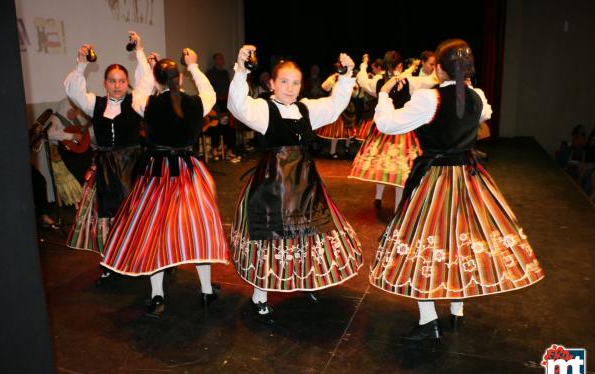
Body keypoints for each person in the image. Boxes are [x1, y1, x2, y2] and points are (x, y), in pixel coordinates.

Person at [370, 38, 544, 340]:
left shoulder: (430, 99)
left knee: (424, 243)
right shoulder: (476, 96)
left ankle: (429, 320)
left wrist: (384, 95)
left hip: (436, 180)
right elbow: (484, 114)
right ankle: (456, 313)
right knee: (460, 239)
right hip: (468, 178)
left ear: (439, 68)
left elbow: (388, 125)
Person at [228, 45, 363, 319]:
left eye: (296, 83)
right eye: (284, 82)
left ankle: (305, 279)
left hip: (304, 183)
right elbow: (237, 105)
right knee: (268, 238)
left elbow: (335, 105)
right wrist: (241, 71)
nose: (290, 88)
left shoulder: (307, 109)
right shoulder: (262, 109)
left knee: (308, 235)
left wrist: (347, 76)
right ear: (272, 83)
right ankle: (260, 293)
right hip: (272, 184)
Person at [101, 49, 230, 317]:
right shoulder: (196, 103)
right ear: (180, 78)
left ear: (158, 80)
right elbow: (210, 93)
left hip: (156, 175)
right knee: (198, 230)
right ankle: (206, 291)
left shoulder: (145, 103)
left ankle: (157, 296)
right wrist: (194, 65)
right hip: (187, 173)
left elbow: (141, 91)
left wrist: (147, 65)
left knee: (154, 233)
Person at [64, 32, 151, 268]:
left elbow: (146, 82)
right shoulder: (95, 103)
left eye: (122, 81)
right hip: (105, 169)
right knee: (107, 219)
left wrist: (139, 51)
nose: (117, 86)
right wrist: (81, 64)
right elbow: (73, 91)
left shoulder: (135, 102)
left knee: (135, 215)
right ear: (104, 83)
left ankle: (139, 257)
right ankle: (111, 260)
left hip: (132, 167)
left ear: (127, 83)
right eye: (112, 81)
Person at [350, 51, 428, 210]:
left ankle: (378, 198)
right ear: (399, 65)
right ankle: (397, 205)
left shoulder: (379, 81)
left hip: (384, 130)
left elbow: (362, 79)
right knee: (401, 169)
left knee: (384, 165)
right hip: (402, 130)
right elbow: (428, 82)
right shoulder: (409, 81)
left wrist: (364, 64)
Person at [206, 52, 240, 163]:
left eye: (222, 58)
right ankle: (214, 149)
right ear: (215, 60)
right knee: (217, 126)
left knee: (230, 126)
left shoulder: (225, 73)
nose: (222, 60)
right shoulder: (210, 73)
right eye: (219, 58)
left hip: (226, 103)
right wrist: (215, 107)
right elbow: (209, 91)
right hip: (216, 103)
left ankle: (229, 150)